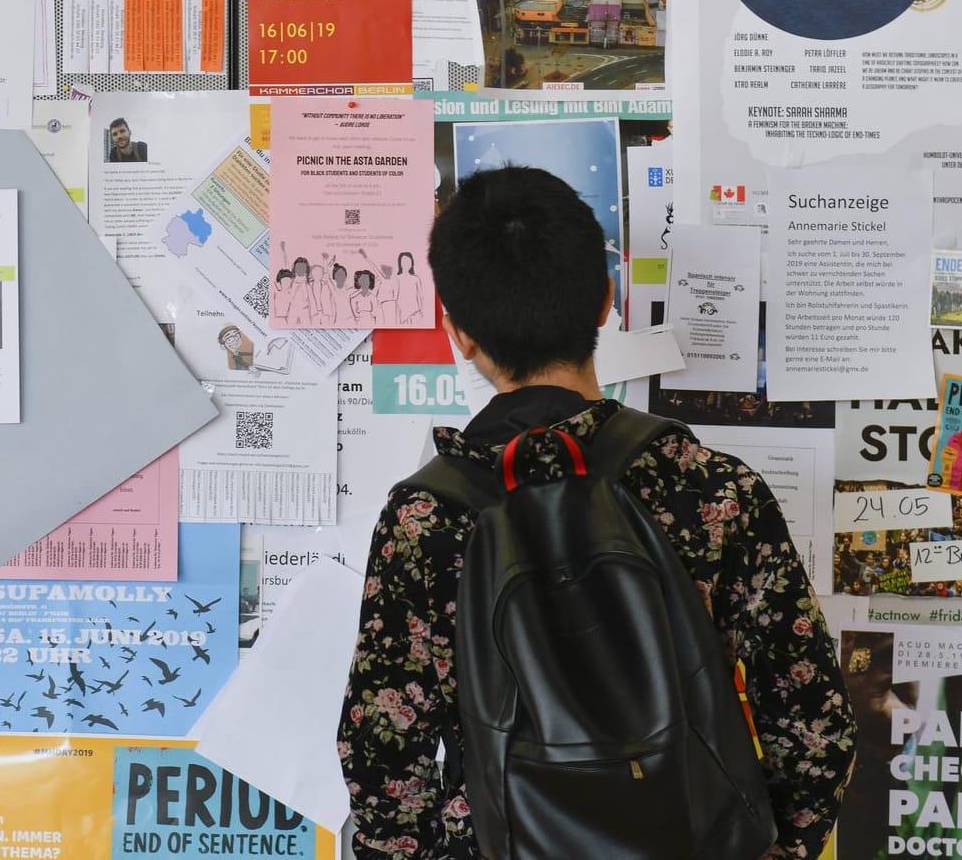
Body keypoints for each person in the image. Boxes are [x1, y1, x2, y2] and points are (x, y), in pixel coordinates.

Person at [338, 166, 855, 859]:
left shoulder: (426, 519)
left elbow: (383, 764)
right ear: (605, 302)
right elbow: (813, 726)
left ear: (457, 332)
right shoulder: (711, 490)